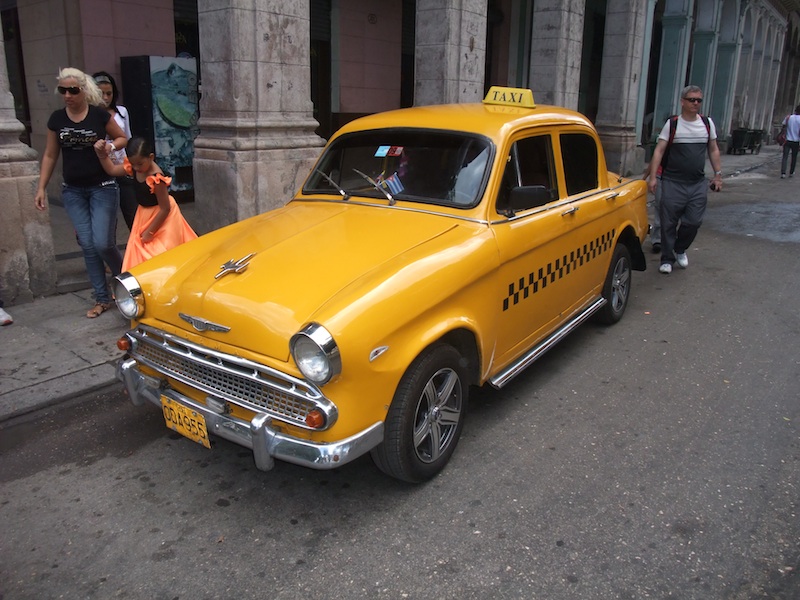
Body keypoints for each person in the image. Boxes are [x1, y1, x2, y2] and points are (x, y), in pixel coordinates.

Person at [34, 67, 128, 318]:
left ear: (83, 91)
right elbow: (51, 154)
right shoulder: (57, 119)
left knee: (102, 242)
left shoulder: (98, 115)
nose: (67, 95)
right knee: (87, 244)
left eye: (72, 90)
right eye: (63, 90)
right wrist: (41, 187)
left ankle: (128, 285)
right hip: (73, 190)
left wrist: (108, 145)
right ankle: (101, 298)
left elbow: (122, 139)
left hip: (103, 187)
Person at [647, 85, 723, 275]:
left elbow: (713, 149)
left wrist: (718, 174)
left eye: (699, 100)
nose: (696, 103)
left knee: (694, 222)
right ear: (683, 102)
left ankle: (680, 248)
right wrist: (653, 177)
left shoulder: (707, 124)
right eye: (692, 100)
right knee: (668, 222)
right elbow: (659, 150)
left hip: (697, 183)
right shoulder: (672, 124)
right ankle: (667, 258)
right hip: (672, 181)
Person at [94, 136, 197, 271]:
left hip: (162, 216)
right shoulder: (136, 166)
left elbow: (165, 208)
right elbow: (112, 170)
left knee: (161, 252)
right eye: (133, 164)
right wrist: (102, 155)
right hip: (144, 214)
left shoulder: (156, 178)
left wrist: (150, 231)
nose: (136, 168)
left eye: (140, 164)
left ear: (151, 157)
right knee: (139, 251)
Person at [93, 71, 136, 229]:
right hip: (100, 171)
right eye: (101, 93)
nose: (105, 98)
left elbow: (128, 138)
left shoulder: (122, 112)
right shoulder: (89, 115)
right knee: (108, 221)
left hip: (123, 167)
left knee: (132, 213)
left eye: (108, 93)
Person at [780, 105, 800, 178]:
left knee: (785, 157)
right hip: (796, 141)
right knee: (794, 157)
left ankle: (783, 173)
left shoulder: (789, 117)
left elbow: (783, 126)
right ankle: (791, 172)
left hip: (787, 140)